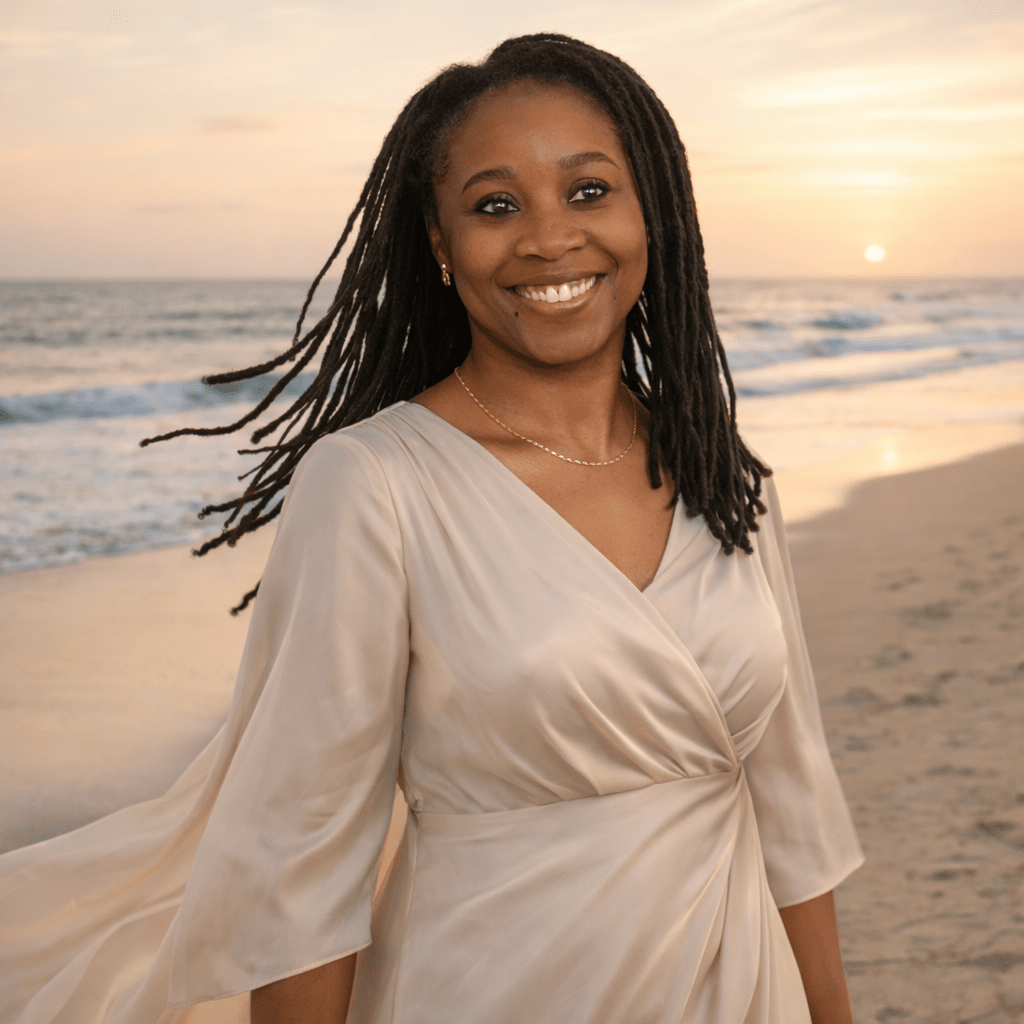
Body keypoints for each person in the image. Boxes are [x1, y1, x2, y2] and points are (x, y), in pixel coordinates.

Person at [0, 33, 863, 1024]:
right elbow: (301, 864)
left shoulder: (720, 472)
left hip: (739, 986)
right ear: (441, 245)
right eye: (496, 206)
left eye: (588, 191)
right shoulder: (374, 485)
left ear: (653, 212)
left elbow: (794, 801)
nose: (549, 238)